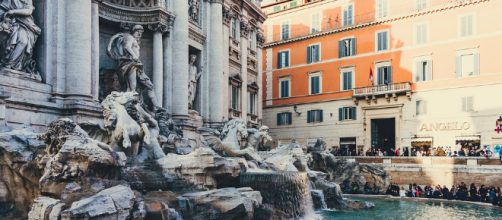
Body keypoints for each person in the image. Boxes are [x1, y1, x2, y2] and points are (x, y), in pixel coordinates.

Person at [107, 25, 159, 110]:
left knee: (149, 86)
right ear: (133, 31)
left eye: (141, 32)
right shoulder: (130, 38)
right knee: (132, 88)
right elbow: (127, 46)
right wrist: (134, 56)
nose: (139, 34)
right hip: (131, 63)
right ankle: (130, 107)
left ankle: (157, 108)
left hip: (136, 65)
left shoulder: (135, 40)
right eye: (137, 31)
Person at [0, 0, 41, 75]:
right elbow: (2, 9)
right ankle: (7, 64)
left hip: (26, 25)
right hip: (11, 23)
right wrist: (4, 19)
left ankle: (12, 64)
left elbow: (29, 11)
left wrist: (13, 12)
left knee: (23, 41)